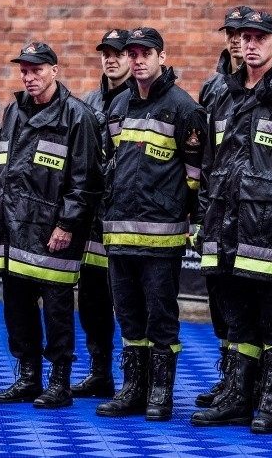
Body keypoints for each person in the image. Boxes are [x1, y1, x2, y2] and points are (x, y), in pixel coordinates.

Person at [190, 11, 272, 434]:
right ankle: (238, 398)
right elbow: (209, 166)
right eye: (245, 37)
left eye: (260, 38)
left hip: (270, 229)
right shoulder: (221, 95)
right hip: (226, 227)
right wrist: (202, 218)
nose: (251, 44)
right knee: (237, 317)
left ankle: (271, 402)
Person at [96, 27, 208, 422]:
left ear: (162, 57)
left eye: (146, 52)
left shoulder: (184, 108)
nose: (138, 59)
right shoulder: (117, 107)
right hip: (119, 233)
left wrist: (188, 219)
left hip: (162, 237)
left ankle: (160, 394)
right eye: (132, 53)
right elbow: (110, 166)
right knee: (127, 315)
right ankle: (133, 389)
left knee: (161, 317)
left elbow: (196, 176)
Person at [0, 42, 104, 409]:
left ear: (54, 70)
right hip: (13, 228)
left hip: (54, 233)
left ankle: (59, 381)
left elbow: (86, 180)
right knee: (16, 309)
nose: (29, 76)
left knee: (56, 310)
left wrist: (67, 224)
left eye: (37, 69)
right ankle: (28, 376)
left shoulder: (77, 116)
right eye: (24, 70)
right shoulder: (14, 111)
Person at [194, 5, 253, 409]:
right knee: (220, 301)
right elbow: (202, 157)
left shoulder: (270, 89)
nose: (235, 39)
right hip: (214, 211)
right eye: (230, 32)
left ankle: (248, 382)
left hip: (251, 214)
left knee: (248, 302)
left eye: (243, 33)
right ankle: (230, 376)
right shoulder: (213, 88)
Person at [71, 29, 130, 398]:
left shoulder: (140, 101)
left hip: (126, 216)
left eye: (118, 53)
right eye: (105, 53)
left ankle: (139, 377)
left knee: (129, 303)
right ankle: (100, 371)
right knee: (92, 301)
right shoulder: (89, 102)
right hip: (92, 220)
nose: (110, 59)